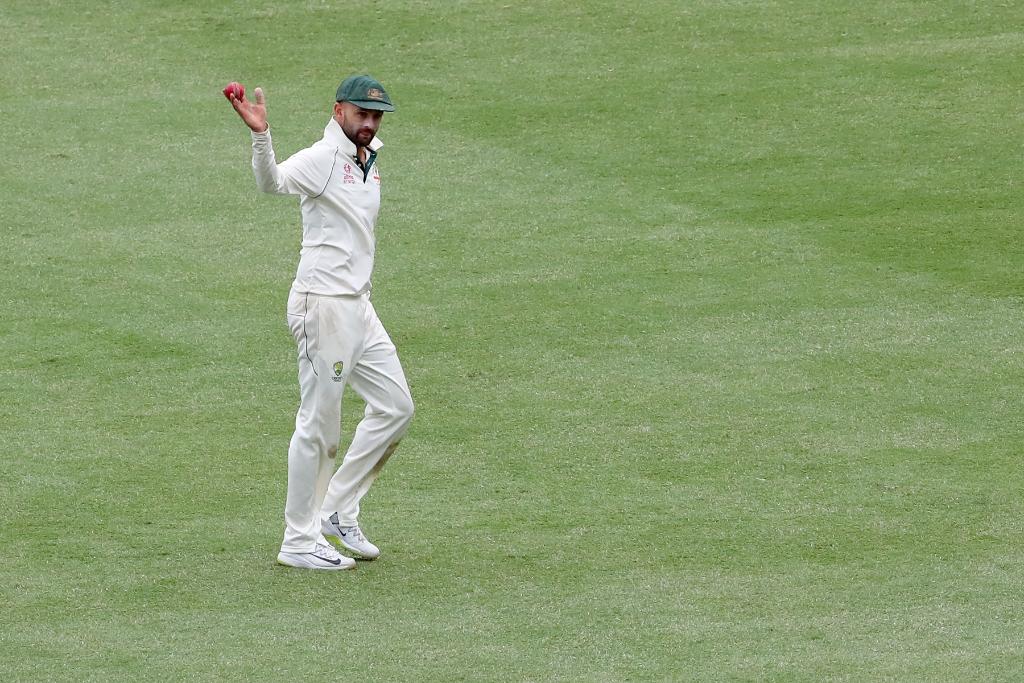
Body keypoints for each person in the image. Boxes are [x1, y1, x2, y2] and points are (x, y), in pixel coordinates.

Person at [226, 75, 414, 570]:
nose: (369, 123)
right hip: (322, 308)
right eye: (361, 114)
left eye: (376, 116)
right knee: (319, 426)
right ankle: (298, 540)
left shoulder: (369, 159)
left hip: (359, 308)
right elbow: (273, 183)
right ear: (338, 112)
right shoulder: (321, 159)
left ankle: (336, 511)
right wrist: (261, 134)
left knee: (396, 408)